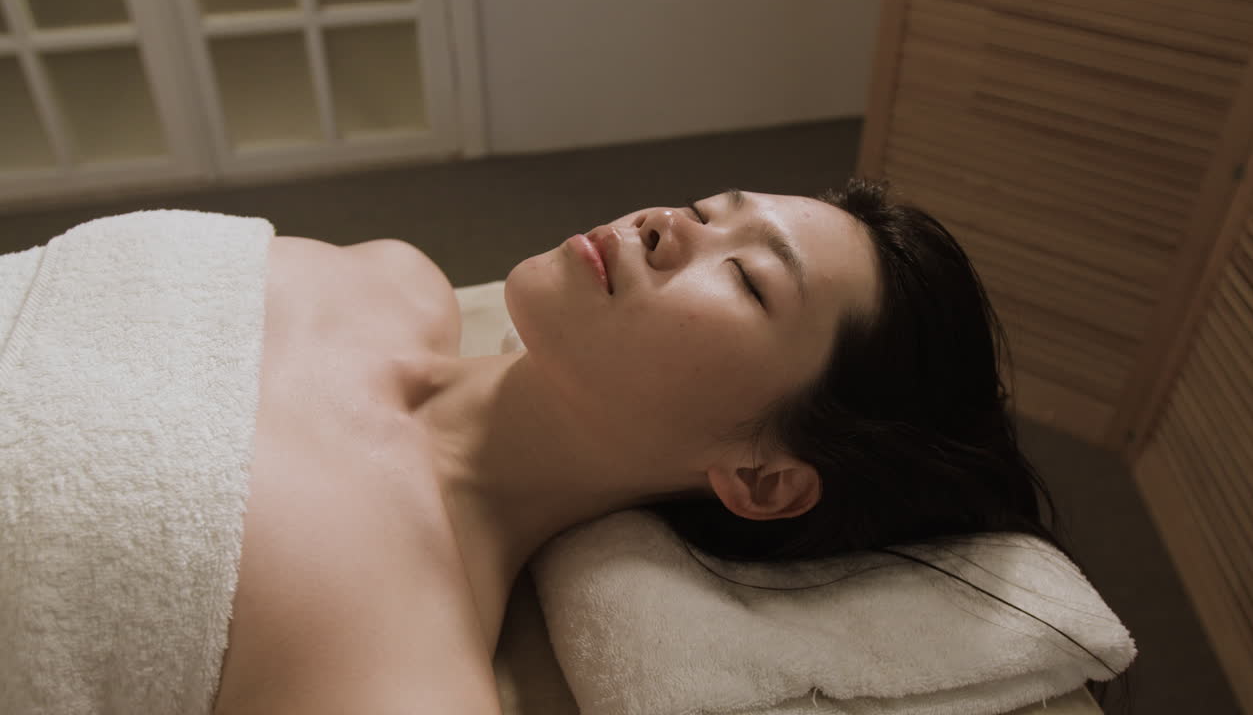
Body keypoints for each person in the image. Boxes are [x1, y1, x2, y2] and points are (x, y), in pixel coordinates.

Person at [210, 177, 1127, 713]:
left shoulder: (393, 659)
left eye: (747, 276)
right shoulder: (387, 279)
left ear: (763, 480)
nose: (668, 223)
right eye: (709, 206)